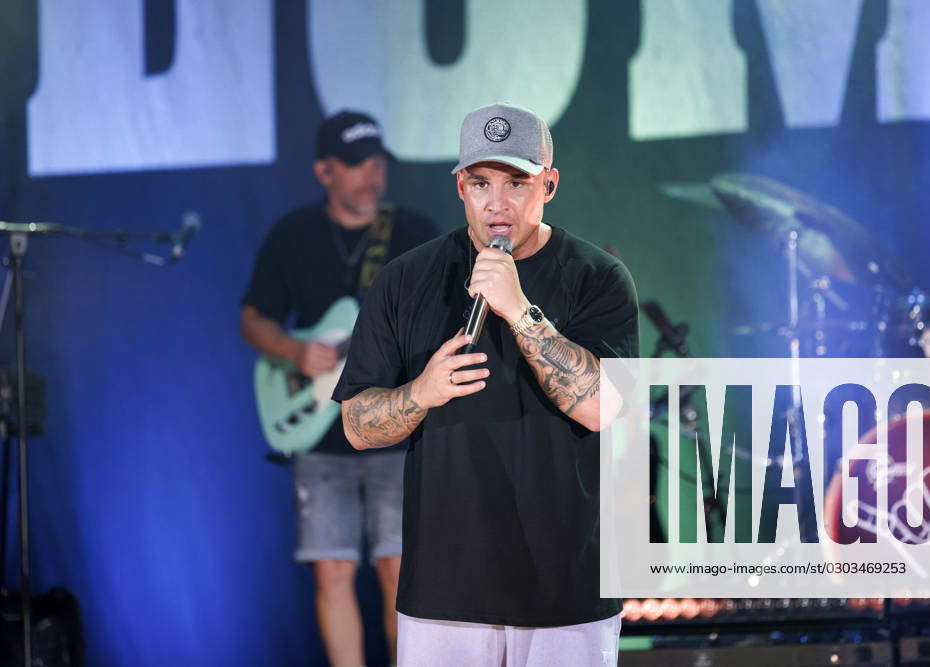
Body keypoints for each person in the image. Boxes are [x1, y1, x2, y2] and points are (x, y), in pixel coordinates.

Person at [332, 103, 639, 666]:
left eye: (516, 183)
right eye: (480, 183)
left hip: (566, 586)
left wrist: (520, 311)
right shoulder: (405, 279)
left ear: (549, 184)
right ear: (460, 188)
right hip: (444, 590)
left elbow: (600, 409)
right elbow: (356, 426)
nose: (497, 204)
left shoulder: (598, 278)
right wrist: (420, 392)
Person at [241, 110, 437, 666]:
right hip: (320, 434)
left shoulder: (414, 232)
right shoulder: (295, 234)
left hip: (396, 429)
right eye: (356, 165)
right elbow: (252, 319)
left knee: (400, 573)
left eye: (377, 162)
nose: (371, 176)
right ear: (324, 171)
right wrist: (297, 351)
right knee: (332, 570)